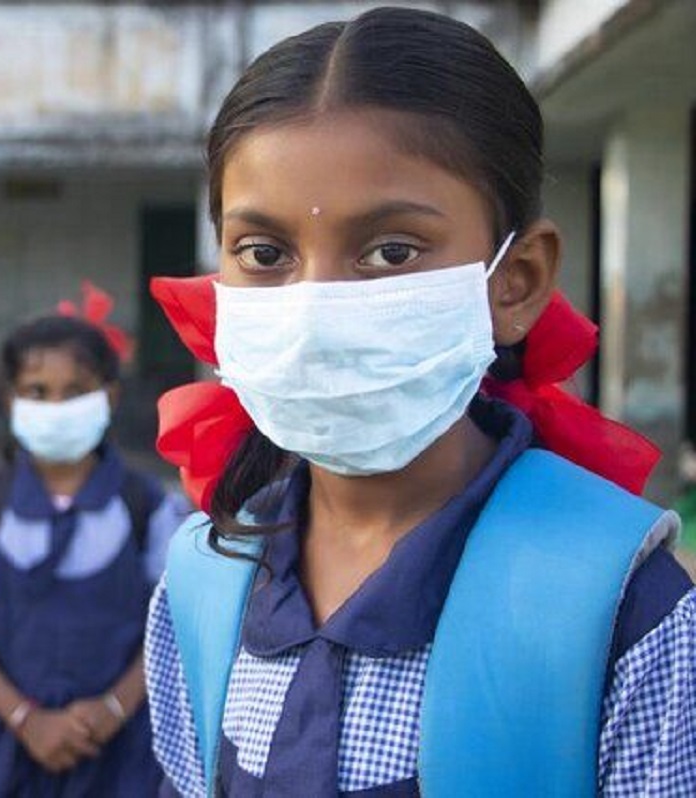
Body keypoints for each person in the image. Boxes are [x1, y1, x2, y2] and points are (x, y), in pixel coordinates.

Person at [144, 8, 695, 796]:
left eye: (390, 251)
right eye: (264, 253)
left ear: (516, 282)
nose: (315, 310)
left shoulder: (617, 607)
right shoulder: (204, 578)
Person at [0, 283, 189, 797]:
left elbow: (173, 627)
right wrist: (25, 719)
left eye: (76, 391)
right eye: (37, 391)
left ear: (110, 396)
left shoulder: (150, 507)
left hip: (123, 743)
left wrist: (114, 708)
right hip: (1, 740)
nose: (57, 406)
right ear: (10, 400)